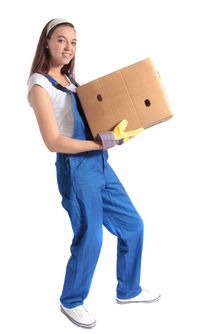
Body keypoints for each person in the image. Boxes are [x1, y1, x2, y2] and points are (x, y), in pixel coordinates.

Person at [27, 18, 161, 328]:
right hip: (75, 168)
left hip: (99, 163)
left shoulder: (73, 81)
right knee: (91, 237)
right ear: (47, 43)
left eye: (73, 42)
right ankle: (71, 301)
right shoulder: (40, 85)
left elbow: (96, 118)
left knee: (133, 225)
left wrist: (119, 130)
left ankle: (129, 290)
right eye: (61, 40)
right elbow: (53, 141)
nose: (68, 48)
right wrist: (98, 143)